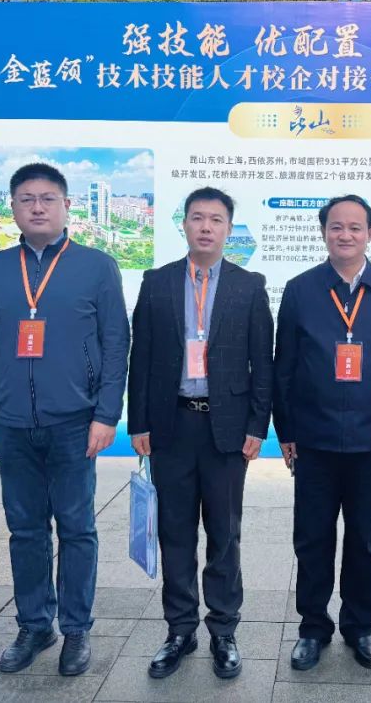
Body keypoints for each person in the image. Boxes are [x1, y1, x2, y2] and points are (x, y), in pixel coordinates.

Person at [0, 162, 130, 677]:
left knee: (77, 528)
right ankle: (34, 624)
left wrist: (106, 414)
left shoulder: (97, 266)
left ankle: (76, 629)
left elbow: (115, 344)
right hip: (11, 423)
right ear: (13, 207)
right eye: (26, 199)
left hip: (74, 422)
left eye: (47, 198)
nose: (37, 207)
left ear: (66, 206)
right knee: (25, 529)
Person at [128, 187, 274, 680]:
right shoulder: (157, 282)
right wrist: (139, 422)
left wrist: (257, 426)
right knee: (174, 531)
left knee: (224, 534)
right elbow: (141, 357)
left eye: (216, 219)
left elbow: (263, 363)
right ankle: (180, 629)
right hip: (171, 425)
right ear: (184, 225)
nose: (206, 227)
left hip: (227, 429)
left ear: (229, 229)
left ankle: (224, 630)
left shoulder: (249, 285)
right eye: (197, 218)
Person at [273, 195, 371, 672]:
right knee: (312, 538)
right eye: (336, 226)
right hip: (313, 440)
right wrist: (286, 429)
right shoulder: (300, 289)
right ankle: (313, 627)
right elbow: (284, 366)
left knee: (363, 537)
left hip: (370, 441)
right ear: (323, 232)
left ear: (370, 234)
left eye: (355, 227)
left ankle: (360, 627)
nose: (345, 235)